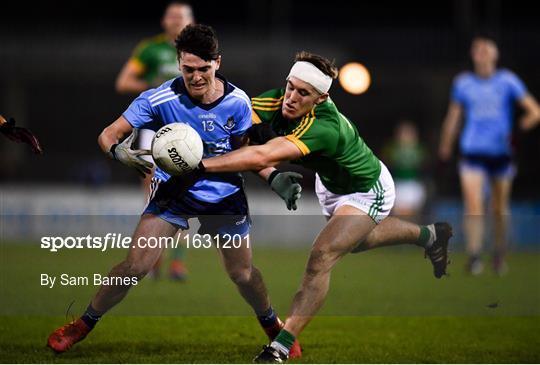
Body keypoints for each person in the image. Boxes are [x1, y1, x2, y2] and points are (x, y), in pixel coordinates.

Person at [46, 24, 302, 358]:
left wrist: (272, 177)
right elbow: (109, 134)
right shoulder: (158, 97)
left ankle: (272, 326)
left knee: (242, 273)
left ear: (218, 63)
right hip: (173, 190)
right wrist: (116, 151)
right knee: (136, 267)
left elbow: (245, 153)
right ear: (179, 64)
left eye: (203, 69)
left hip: (223, 192)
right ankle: (82, 324)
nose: (196, 77)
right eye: (188, 69)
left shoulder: (238, 102)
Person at [198, 51, 453, 363]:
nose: (291, 97)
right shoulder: (276, 100)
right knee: (356, 244)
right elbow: (237, 128)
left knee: (322, 255)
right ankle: (430, 236)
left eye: (303, 93)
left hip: (367, 189)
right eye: (290, 86)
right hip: (329, 186)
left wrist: (200, 165)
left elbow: (262, 156)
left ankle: (281, 345)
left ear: (321, 98)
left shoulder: (325, 127)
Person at [439, 34, 540, 275]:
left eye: (486, 48)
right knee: (473, 204)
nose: (481, 52)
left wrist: (517, 131)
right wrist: (446, 144)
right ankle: (474, 255)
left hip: (501, 154)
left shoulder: (507, 81)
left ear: (495, 54)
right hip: (472, 151)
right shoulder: (463, 83)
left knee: (499, 207)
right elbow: (454, 116)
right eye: (477, 49)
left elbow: (535, 112)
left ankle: (499, 253)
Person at [116, 1, 195, 281]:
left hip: (187, 132)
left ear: (190, 21)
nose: (175, 20)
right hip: (152, 127)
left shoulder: (197, 49)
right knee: (153, 192)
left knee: (184, 193)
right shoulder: (150, 49)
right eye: (171, 15)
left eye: (181, 16)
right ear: (164, 21)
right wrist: (154, 89)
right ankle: (153, 259)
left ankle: (177, 262)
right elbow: (123, 82)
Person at [382, 120, 427, 217]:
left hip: (414, 185)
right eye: (403, 133)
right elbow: (384, 164)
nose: (406, 136)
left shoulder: (419, 149)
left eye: (410, 133)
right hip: (398, 184)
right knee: (399, 215)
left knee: (414, 215)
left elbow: (425, 165)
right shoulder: (392, 148)